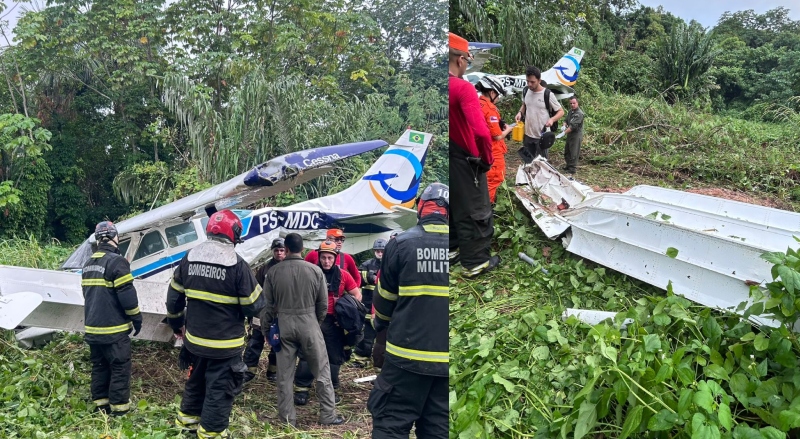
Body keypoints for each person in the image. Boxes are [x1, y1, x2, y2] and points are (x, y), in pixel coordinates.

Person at [166, 210, 266, 437]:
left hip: (194, 342)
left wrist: (176, 326)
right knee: (219, 390)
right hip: (224, 346)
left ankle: (186, 427)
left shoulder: (189, 258)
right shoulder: (237, 265)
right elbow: (254, 305)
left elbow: (173, 300)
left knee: (196, 382)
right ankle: (211, 433)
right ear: (234, 233)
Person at [369, 183, 449, 438]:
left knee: (391, 423)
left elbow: (383, 303)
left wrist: (379, 327)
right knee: (438, 428)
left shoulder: (401, 244)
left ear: (421, 207)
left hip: (406, 357)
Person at [259, 234, 344, 426]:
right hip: (309, 323)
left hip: (284, 324)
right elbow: (323, 305)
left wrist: (266, 330)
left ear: (286, 249)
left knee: (284, 375)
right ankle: (328, 415)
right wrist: (314, 322)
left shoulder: (273, 272)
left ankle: (288, 419)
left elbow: (268, 306)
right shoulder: (315, 271)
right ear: (302, 249)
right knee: (322, 371)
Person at [448, 31, 499, 278]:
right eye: (467, 60)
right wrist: (486, 160)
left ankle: (451, 250)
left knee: (452, 203)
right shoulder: (462, 88)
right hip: (465, 159)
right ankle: (475, 262)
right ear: (460, 60)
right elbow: (481, 132)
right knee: (475, 209)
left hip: (446, 156)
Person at [81, 221, 142, 416]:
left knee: (100, 367)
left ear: (98, 239)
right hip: (114, 330)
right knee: (119, 368)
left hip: (93, 329)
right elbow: (127, 295)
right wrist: (136, 318)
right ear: (115, 237)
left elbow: (88, 295)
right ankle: (119, 410)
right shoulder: (117, 262)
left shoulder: (88, 264)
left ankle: (101, 407)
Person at [293, 241, 361, 406]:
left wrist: (347, 310)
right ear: (319, 257)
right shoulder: (310, 273)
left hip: (334, 323)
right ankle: (301, 389)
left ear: (335, 258)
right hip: (313, 320)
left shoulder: (344, 275)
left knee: (334, 357)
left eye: (330, 258)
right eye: (323, 257)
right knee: (307, 355)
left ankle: (332, 390)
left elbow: (357, 295)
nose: (326, 261)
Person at [243, 238, 286, 383]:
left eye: (282, 250)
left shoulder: (290, 268)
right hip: (262, 312)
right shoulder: (265, 269)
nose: (279, 253)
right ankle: (249, 370)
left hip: (281, 314)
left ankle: (273, 370)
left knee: (277, 343)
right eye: (276, 251)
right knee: (255, 341)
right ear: (272, 252)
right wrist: (253, 313)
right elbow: (254, 291)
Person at [476, 76, 515, 204]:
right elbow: (497, 136)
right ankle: (488, 207)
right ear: (492, 92)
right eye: (497, 95)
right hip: (493, 151)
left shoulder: (476, 103)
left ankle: (481, 204)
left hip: (479, 149)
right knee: (494, 180)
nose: (498, 99)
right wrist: (508, 129)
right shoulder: (490, 109)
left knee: (481, 180)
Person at [514, 66, 565, 161]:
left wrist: (552, 119)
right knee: (528, 162)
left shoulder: (548, 94)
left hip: (542, 136)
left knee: (542, 164)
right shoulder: (526, 91)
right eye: (527, 81)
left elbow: (561, 111)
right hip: (528, 134)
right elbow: (524, 104)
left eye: (532, 82)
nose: (529, 84)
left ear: (539, 80)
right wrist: (520, 112)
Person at [351, 238, 386, 368]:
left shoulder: (390, 264)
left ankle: (382, 361)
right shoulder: (366, 264)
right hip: (367, 305)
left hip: (383, 308)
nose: (380, 253)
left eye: (382, 251)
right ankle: (360, 359)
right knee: (366, 335)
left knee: (383, 338)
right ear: (374, 251)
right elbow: (359, 278)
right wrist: (371, 277)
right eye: (378, 251)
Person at [563, 96, 585, 175]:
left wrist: (564, 132)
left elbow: (573, 126)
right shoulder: (570, 111)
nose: (572, 105)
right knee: (567, 150)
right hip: (570, 134)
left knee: (574, 151)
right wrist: (564, 125)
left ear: (577, 103)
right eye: (571, 103)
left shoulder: (579, 114)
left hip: (576, 134)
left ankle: (572, 168)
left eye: (574, 103)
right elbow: (566, 120)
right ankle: (568, 165)